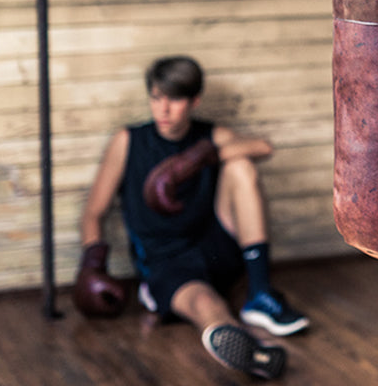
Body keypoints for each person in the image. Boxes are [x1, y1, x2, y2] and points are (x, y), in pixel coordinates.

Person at [75, 55, 309, 380]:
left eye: (175, 99)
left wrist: (195, 161)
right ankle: (247, 348)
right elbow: (93, 212)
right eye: (156, 98)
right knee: (204, 303)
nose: (164, 110)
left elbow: (262, 147)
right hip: (167, 261)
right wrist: (92, 262)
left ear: (194, 101)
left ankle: (259, 292)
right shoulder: (129, 141)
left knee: (240, 166)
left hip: (214, 247)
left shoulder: (208, 136)